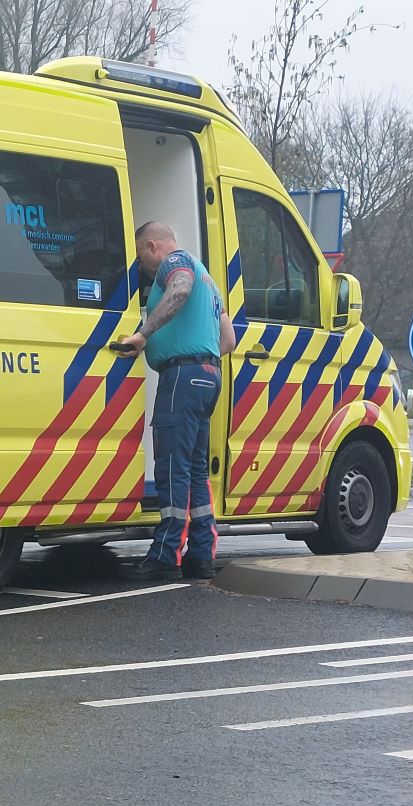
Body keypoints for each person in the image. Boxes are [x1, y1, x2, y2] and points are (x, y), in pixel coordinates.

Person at [116, 221, 237, 582]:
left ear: (153, 246)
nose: (143, 268)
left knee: (172, 467)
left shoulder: (175, 264)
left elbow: (179, 291)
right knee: (196, 470)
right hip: (208, 376)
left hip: (181, 378)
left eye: (141, 257)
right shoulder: (211, 283)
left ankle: (165, 554)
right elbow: (228, 339)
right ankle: (201, 555)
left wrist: (142, 335)